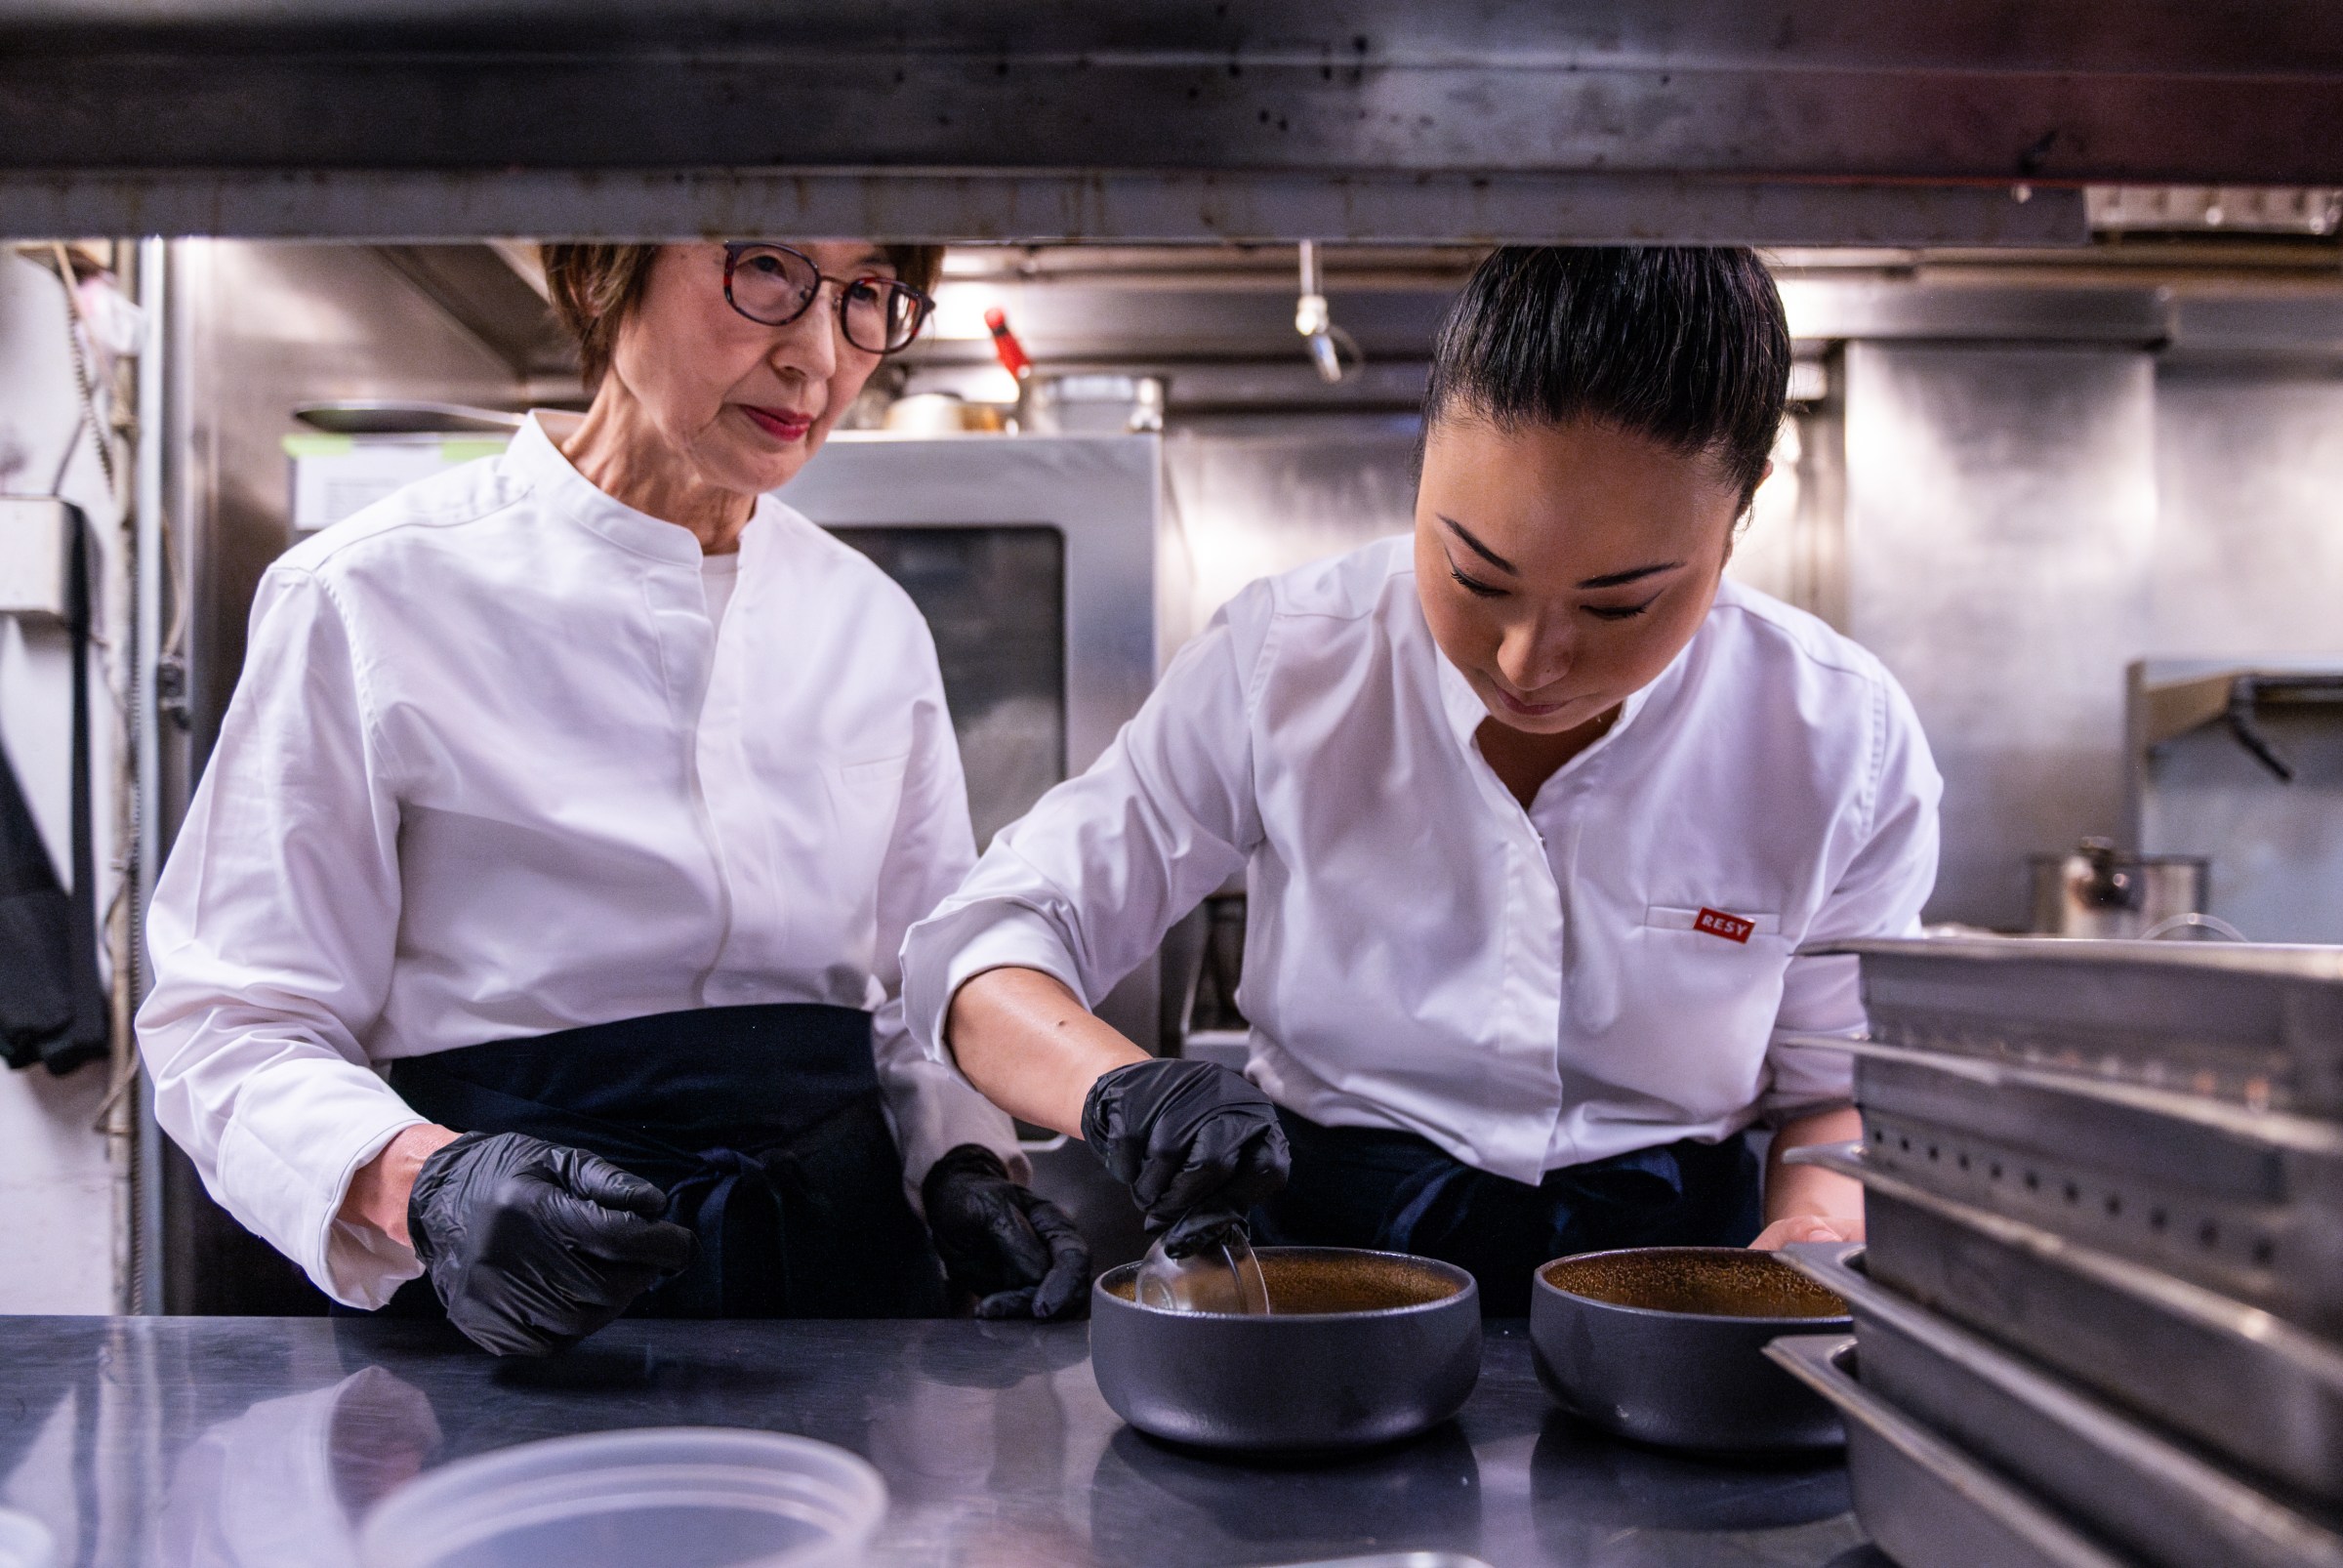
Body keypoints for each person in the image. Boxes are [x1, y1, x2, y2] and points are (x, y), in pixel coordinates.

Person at [905, 246, 1941, 1315]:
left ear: (1741, 513)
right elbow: (986, 941)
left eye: (1618, 605)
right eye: (1476, 577)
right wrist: (1118, 1091)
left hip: (1673, 1295)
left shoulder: (1836, 734)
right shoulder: (1287, 660)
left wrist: (1819, 1226)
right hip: (1322, 1285)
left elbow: (1835, 1096)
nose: (1528, 663)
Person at [138, 238, 1089, 1355]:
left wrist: (963, 1166)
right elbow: (230, 1024)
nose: (819, 357)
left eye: (868, 296)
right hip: (517, 1300)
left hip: (841, 1290)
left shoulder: (871, 620)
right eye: (765, 269)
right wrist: (423, 1183)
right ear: (602, 270)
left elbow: (916, 995)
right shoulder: (371, 592)